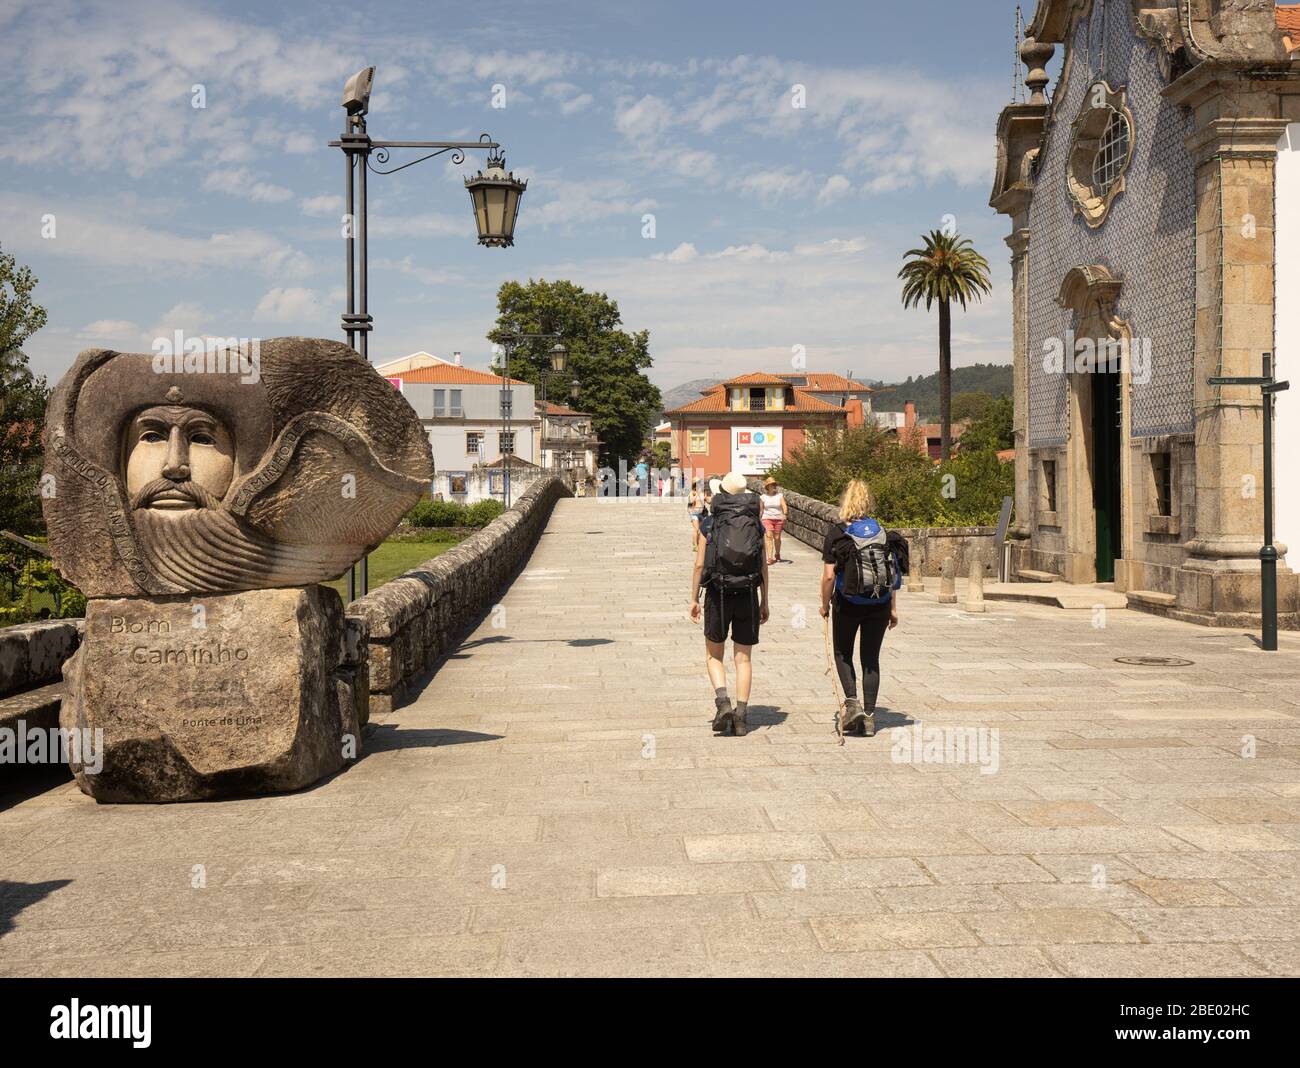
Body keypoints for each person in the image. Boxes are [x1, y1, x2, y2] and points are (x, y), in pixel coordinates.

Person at [689, 471, 769, 736]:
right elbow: (763, 566)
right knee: (743, 658)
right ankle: (741, 717)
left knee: (714, 654)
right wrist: (765, 600)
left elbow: (700, 564)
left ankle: (723, 702)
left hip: (717, 592)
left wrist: (693, 599)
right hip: (747, 591)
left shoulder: (709, 524)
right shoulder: (756, 524)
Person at [819, 479, 900, 737]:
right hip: (880, 604)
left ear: (845, 501)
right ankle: (869, 718)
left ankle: (852, 704)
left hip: (848, 602)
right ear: (868, 502)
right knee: (870, 659)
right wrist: (893, 609)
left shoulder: (838, 532)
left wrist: (824, 604)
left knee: (843, 652)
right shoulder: (881, 531)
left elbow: (829, 576)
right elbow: (893, 575)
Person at [759, 475, 789, 564]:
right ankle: (769, 558)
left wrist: (785, 514)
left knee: (777, 538)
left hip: (778, 519)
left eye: (774, 484)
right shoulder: (763, 497)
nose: (774, 486)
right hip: (767, 518)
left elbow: (784, 505)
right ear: (767, 487)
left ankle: (777, 553)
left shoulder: (780, 496)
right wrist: (759, 519)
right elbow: (761, 510)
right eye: (772, 485)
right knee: (768, 536)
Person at [687, 479, 707, 550]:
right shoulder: (692, 492)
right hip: (694, 513)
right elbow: (691, 501)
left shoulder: (704, 492)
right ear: (695, 485)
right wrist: (697, 494)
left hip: (702, 513)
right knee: (696, 529)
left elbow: (706, 500)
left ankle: (697, 542)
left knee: (701, 529)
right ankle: (695, 546)